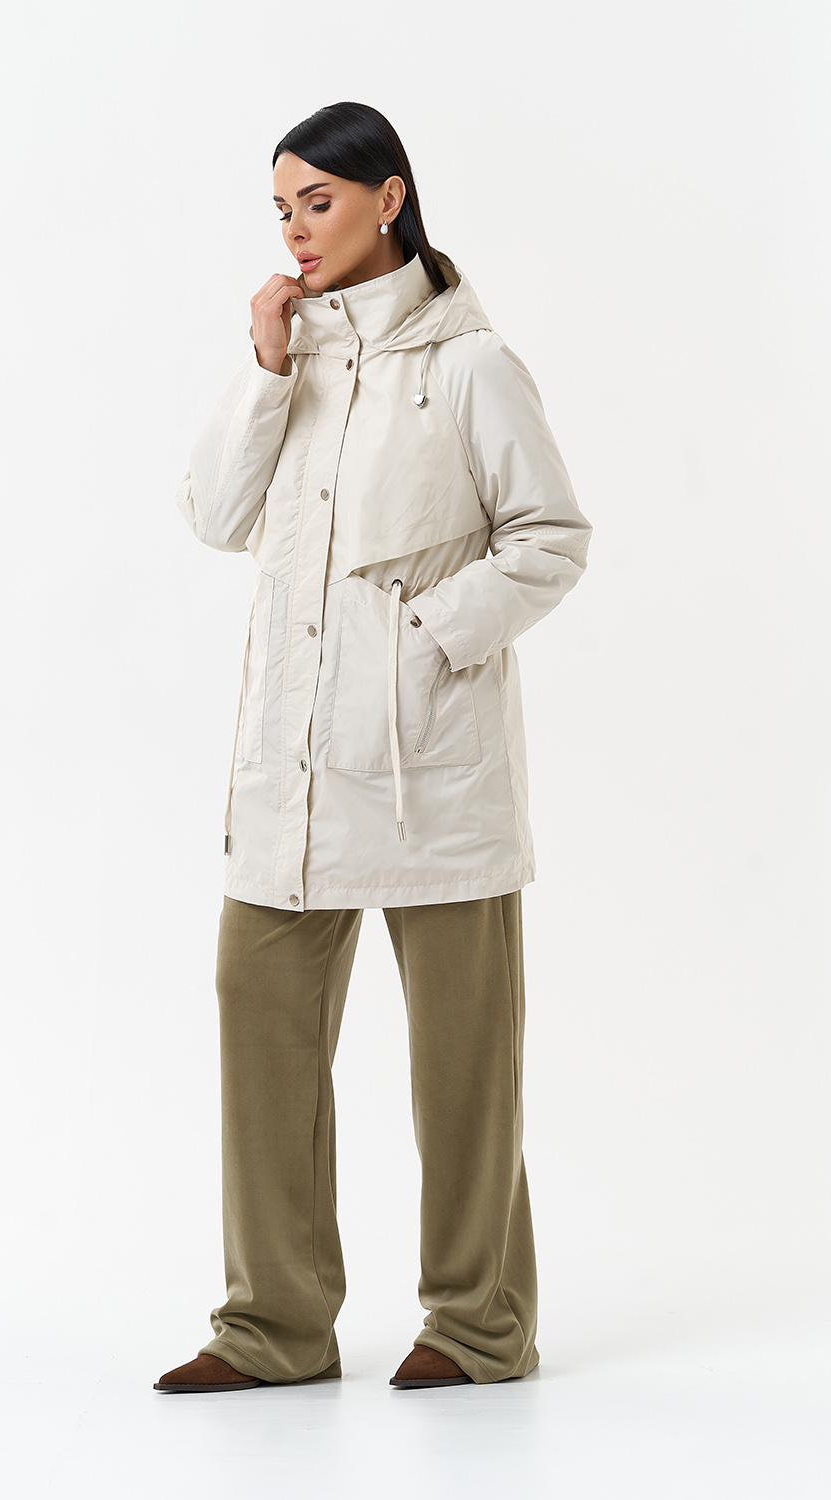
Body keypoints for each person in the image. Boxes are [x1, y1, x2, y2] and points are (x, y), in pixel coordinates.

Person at [154, 101, 592, 1395]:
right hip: (288, 778)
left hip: (432, 775)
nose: (296, 230)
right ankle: (274, 1327)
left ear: (389, 197)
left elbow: (551, 537)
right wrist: (264, 364)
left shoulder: (471, 363)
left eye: (320, 202)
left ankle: (478, 1324)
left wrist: (428, 637)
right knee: (259, 1027)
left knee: (463, 1072)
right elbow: (214, 515)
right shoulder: (294, 358)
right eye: (282, 209)